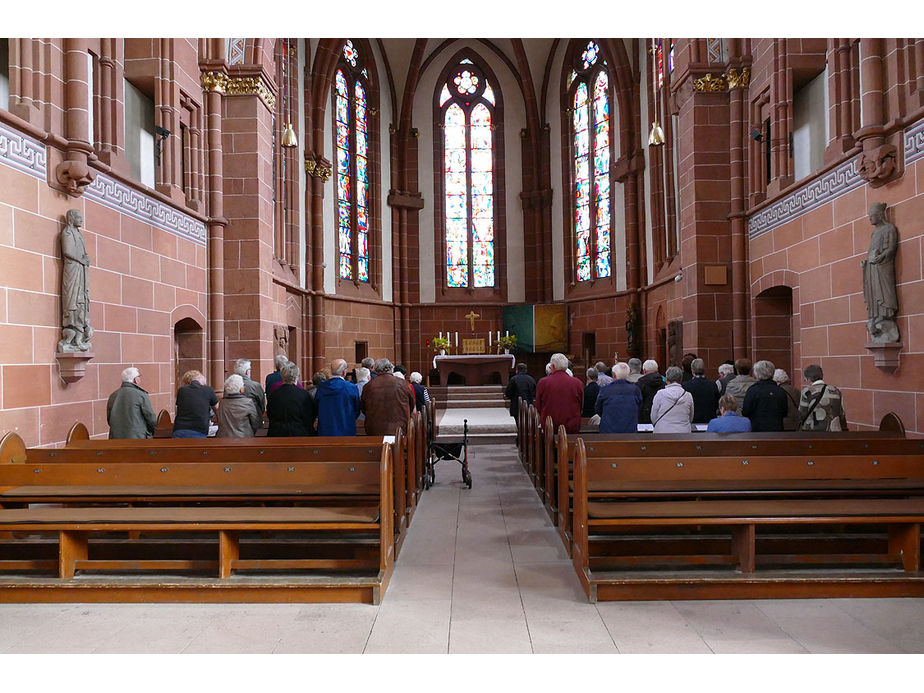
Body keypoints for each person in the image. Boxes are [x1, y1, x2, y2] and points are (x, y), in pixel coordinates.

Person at [861, 202, 900, 342]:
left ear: (879, 215)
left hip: (883, 266)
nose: (870, 219)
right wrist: (866, 263)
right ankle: (876, 316)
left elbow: (891, 248)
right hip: (872, 267)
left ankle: (885, 315)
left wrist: (881, 257)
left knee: (884, 292)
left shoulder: (889, 229)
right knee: (873, 292)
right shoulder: (874, 232)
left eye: (872, 216)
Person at [360, 358, 415, 437]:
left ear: (376, 370)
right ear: (391, 368)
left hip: (375, 430)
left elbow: (363, 408)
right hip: (399, 430)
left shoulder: (368, 386)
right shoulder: (403, 384)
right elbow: (411, 405)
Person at [535, 352, 584, 434]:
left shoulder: (543, 382)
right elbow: (581, 405)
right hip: (572, 427)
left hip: (550, 427)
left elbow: (539, 406)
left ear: (553, 367)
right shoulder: (578, 383)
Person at [266, 362, 317, 436]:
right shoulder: (304, 394)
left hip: (277, 434)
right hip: (300, 433)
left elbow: (270, 414)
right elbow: (310, 415)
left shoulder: (274, 394)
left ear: (282, 376)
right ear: (296, 377)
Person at [107, 367, 157, 439]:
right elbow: (151, 418)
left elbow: (109, 419)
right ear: (135, 379)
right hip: (137, 438)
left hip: (116, 438)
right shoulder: (141, 395)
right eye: (139, 376)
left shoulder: (113, 395)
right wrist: (151, 432)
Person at [316, 358, 361, 436]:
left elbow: (316, 407)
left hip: (325, 431)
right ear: (344, 372)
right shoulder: (351, 388)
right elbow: (356, 409)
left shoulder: (322, 388)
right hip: (346, 430)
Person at [798, 364, 848, 431]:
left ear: (808, 378)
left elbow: (802, 414)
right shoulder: (835, 390)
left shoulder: (806, 392)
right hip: (834, 431)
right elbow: (841, 413)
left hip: (814, 431)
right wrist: (844, 429)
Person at [595, 362, 642, 433]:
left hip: (608, 431)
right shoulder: (635, 390)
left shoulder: (605, 390)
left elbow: (598, 409)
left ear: (613, 375)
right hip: (629, 431)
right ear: (628, 374)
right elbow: (639, 407)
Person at [741, 360, 787, 432]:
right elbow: (785, 412)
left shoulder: (753, 390)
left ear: (756, 373)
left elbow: (745, 411)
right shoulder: (780, 390)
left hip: (757, 429)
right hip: (776, 430)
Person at [171, 370, 218, 438]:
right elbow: (217, 409)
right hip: (199, 431)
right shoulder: (208, 389)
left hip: (179, 430)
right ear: (198, 377)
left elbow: (179, 409)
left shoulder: (181, 390)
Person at [650, 366, 694, 433]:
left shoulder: (660, 394)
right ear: (681, 379)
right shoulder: (688, 395)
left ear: (666, 379)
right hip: (683, 432)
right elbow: (690, 417)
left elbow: (653, 416)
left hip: (662, 431)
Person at [682, 358, 719, 424]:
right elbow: (716, 403)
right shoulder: (712, 385)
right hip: (709, 420)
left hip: (693, 421)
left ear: (692, 370)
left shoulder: (686, 385)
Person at [234, 358, 265, 423]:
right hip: (251, 420)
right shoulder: (255, 386)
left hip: (233, 419)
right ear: (247, 372)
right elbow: (262, 404)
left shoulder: (228, 386)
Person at [636, 359, 665, 424]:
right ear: (657, 370)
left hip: (643, 419)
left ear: (644, 371)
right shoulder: (664, 384)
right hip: (660, 417)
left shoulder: (639, 385)